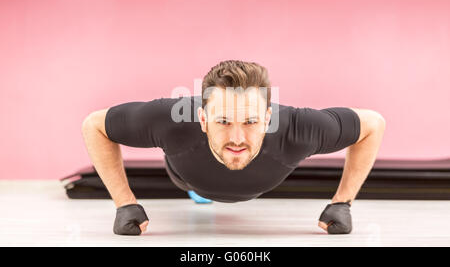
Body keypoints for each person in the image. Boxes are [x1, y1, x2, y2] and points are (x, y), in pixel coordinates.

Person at [81, 60, 386, 235]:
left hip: (254, 185)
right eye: (224, 121)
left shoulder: (298, 129)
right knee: (193, 187)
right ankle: (196, 193)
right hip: (185, 177)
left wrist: (342, 203)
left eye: (251, 122)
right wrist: (124, 203)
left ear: (268, 118)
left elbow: (372, 124)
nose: (237, 137)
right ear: (202, 118)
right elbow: (94, 125)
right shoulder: (171, 121)